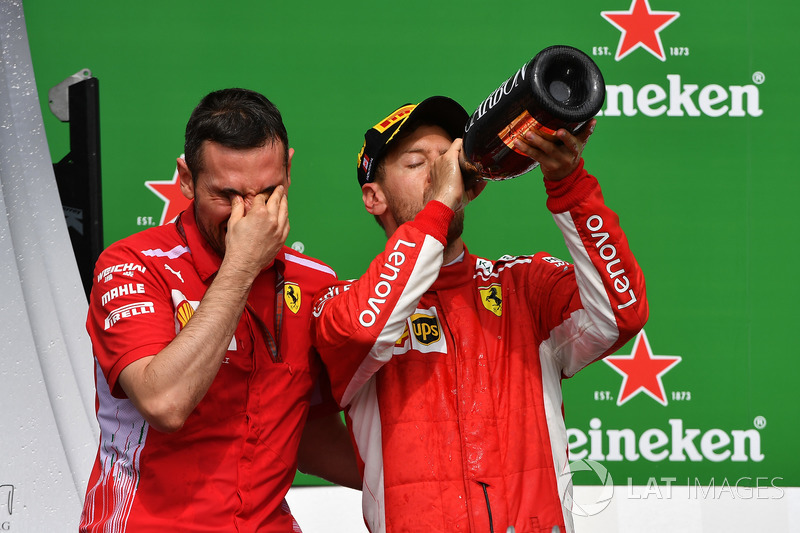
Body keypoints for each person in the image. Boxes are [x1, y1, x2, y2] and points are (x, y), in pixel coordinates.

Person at [310, 96, 649, 532]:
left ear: (475, 183)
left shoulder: (524, 286)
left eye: (449, 159)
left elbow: (620, 315)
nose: (439, 173)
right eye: (416, 163)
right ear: (374, 197)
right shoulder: (342, 305)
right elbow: (363, 330)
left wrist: (569, 184)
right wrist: (438, 207)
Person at [80, 88, 359, 532]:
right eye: (226, 196)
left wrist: (419, 478)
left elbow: (310, 436)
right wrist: (242, 265)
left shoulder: (314, 281)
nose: (246, 217)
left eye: (268, 192)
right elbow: (164, 402)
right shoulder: (133, 265)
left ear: (289, 169)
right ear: (187, 179)